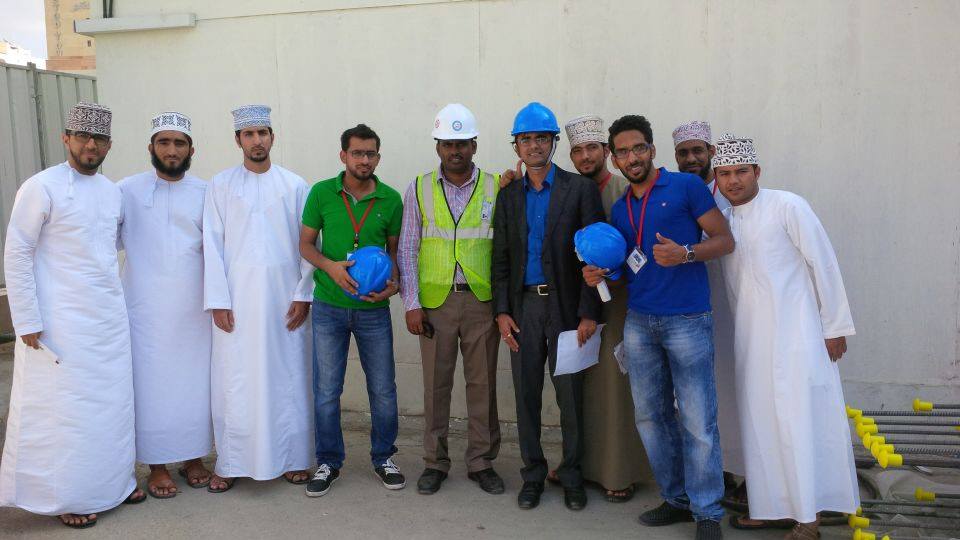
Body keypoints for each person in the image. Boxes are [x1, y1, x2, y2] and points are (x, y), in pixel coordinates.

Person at [585, 114, 734, 540]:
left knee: (698, 422)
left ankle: (707, 512)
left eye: (638, 148)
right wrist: (600, 276)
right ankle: (676, 499)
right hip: (639, 322)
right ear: (614, 159)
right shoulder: (620, 208)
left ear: (651, 150)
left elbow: (725, 240)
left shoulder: (685, 187)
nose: (632, 157)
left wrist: (685, 253)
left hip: (687, 319)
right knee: (651, 418)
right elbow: (624, 271)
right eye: (623, 152)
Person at [1, 102, 145, 528]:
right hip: (59, 320)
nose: (90, 145)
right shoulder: (40, 187)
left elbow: (106, 250)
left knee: (112, 407)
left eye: (99, 138)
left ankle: (115, 485)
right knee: (67, 411)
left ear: (109, 145)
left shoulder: (113, 192)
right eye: (82, 136)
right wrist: (26, 318)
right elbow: (17, 251)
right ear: (66, 138)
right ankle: (68, 496)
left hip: (107, 320)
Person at [712, 134, 858, 539]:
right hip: (751, 340)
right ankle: (770, 506)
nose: (733, 180)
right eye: (725, 173)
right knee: (760, 425)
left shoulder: (788, 205)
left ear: (757, 171)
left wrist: (835, 326)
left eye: (741, 171)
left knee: (797, 423)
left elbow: (823, 262)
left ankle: (808, 519)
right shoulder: (723, 218)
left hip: (798, 336)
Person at [492, 102, 604, 511]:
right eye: (526, 139)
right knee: (526, 395)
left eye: (542, 138)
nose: (534, 145)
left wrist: (589, 312)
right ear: (517, 146)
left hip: (567, 307)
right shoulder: (508, 196)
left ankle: (572, 475)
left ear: (554, 142)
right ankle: (533, 475)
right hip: (523, 307)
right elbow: (501, 258)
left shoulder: (580, 190)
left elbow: (595, 255)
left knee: (569, 396)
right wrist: (502, 311)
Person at [203, 104, 315, 493]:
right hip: (236, 302)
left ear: (272, 137)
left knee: (288, 377)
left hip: (285, 302)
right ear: (238, 140)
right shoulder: (220, 185)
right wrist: (218, 299)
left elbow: (308, 245)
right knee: (234, 380)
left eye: (262, 133)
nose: (257, 141)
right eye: (249, 134)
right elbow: (212, 244)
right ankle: (232, 461)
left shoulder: (295, 185)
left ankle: (293, 458)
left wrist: (304, 294)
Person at [398, 104, 504, 495]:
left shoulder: (497, 186)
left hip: (481, 301)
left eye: (461, 143)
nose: (454, 150)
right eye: (447, 143)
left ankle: (481, 461)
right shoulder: (419, 187)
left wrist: (503, 306)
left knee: (483, 385)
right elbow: (407, 248)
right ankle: (434, 462)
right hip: (435, 303)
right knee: (435, 386)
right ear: (437, 147)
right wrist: (411, 302)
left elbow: (505, 248)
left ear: (474, 145)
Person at [299, 124, 406, 497]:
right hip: (329, 306)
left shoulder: (391, 200)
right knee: (327, 390)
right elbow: (306, 245)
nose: (364, 160)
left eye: (370, 153)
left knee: (383, 389)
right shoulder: (321, 193)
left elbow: (394, 253)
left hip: (373, 310)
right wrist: (330, 267)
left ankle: (384, 458)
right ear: (343, 155)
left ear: (378, 157)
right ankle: (328, 461)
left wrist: (394, 284)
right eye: (357, 153)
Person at [119, 112, 213, 499]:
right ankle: (156, 465)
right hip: (144, 310)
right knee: (151, 387)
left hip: (194, 311)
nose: (171, 150)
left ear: (192, 149)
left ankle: (193, 458)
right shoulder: (125, 190)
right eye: (164, 142)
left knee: (194, 385)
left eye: (179, 143)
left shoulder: (207, 192)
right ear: (151, 147)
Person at [562, 114, 652, 502]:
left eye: (592, 149)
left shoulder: (623, 191)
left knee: (614, 387)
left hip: (619, 302)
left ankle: (618, 471)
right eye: (577, 151)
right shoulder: (568, 190)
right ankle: (579, 465)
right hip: (577, 300)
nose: (585, 157)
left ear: (606, 152)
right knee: (580, 385)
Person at [672, 121, 744, 499]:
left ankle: (740, 470)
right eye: (683, 153)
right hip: (689, 310)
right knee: (696, 397)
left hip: (732, 309)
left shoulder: (730, 195)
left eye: (697, 151)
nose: (691, 159)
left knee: (731, 391)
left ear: (711, 152)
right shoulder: (676, 192)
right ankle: (711, 474)